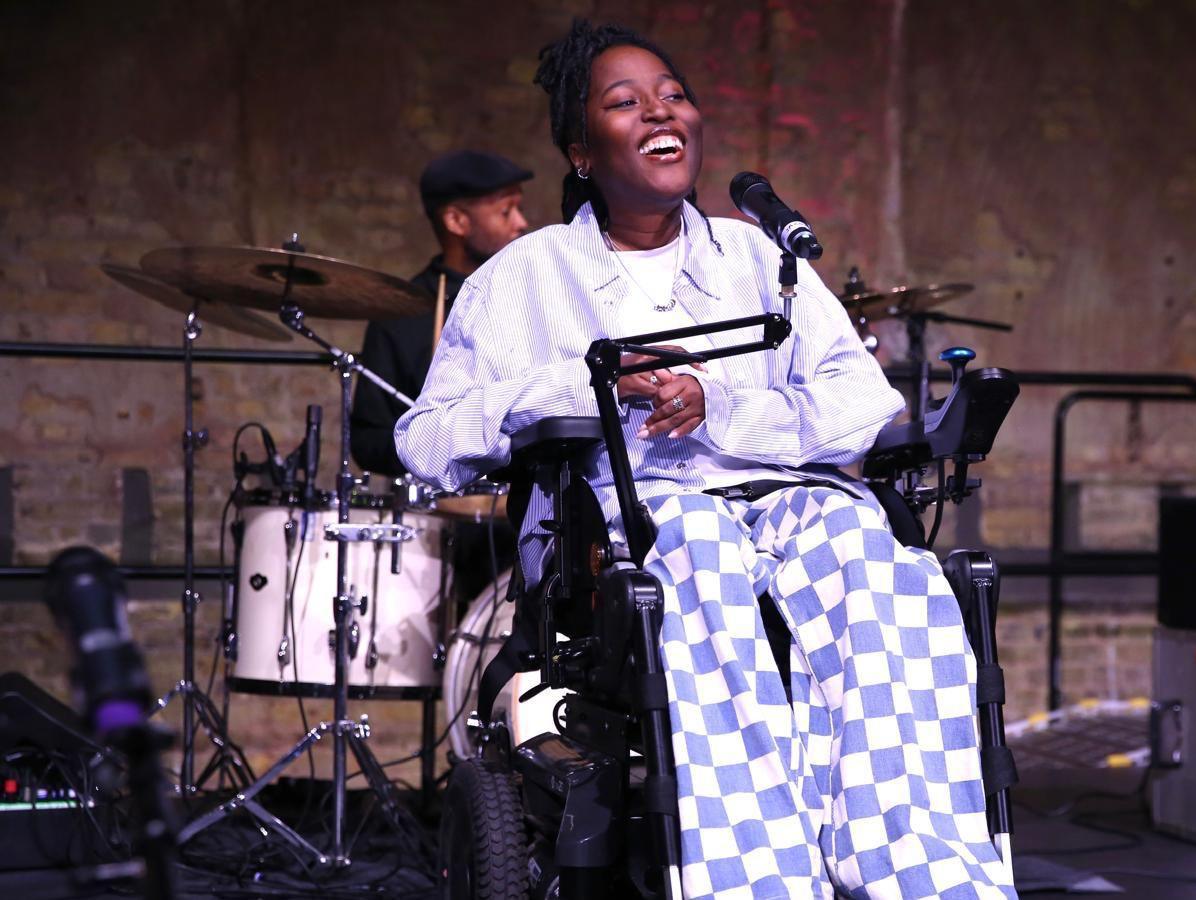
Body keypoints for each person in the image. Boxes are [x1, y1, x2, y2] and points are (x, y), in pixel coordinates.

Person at [396, 21, 1015, 900]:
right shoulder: (521, 279)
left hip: (784, 498)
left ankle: (920, 872)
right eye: (625, 102)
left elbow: (866, 403)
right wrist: (587, 387)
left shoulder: (760, 258)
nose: (661, 111)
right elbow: (426, 440)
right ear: (580, 148)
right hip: (630, 520)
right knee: (697, 542)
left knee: (881, 560)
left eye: (673, 94)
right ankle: (758, 880)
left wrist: (720, 406)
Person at [351, 150, 531, 602]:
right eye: (506, 210)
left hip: (528, 513)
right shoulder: (402, 314)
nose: (521, 223)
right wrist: (436, 447)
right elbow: (368, 440)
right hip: (435, 527)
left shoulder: (530, 302)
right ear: (456, 220)